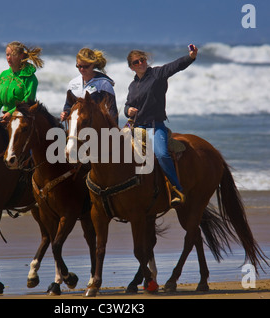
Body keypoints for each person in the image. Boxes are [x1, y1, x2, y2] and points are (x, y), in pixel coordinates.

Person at [124, 45, 198, 206]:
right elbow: (127, 104)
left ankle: (176, 189)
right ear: (131, 67)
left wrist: (191, 57)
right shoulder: (132, 85)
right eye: (136, 62)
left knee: (162, 154)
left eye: (142, 60)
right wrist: (127, 110)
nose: (141, 63)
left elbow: (175, 66)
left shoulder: (157, 74)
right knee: (118, 154)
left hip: (154, 126)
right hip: (136, 127)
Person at [60, 48, 118, 124]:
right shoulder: (72, 83)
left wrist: (113, 132)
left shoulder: (103, 84)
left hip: (97, 128)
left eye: (86, 66)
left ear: (93, 64)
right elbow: (68, 105)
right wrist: (65, 113)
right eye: (79, 66)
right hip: (77, 128)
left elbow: (112, 111)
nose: (82, 69)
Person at [0, 41, 44, 124]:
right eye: (7, 55)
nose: (9, 58)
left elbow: (27, 101)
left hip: (21, 119)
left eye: (13, 55)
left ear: (21, 56)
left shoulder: (30, 78)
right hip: (4, 118)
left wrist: (11, 113)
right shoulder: (3, 75)